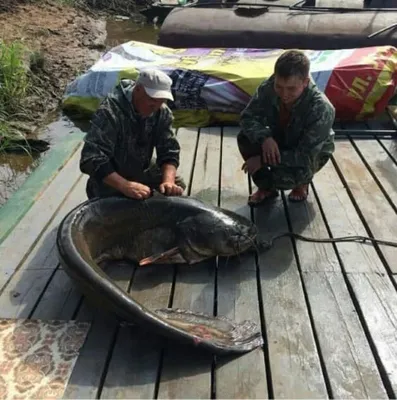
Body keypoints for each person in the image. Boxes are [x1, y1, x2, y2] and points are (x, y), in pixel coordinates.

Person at [237, 49, 335, 205]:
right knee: (244, 137)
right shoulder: (269, 86)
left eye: (291, 89)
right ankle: (266, 188)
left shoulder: (321, 108)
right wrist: (265, 138)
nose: (284, 94)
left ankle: (302, 183)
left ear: (305, 82)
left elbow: (305, 156)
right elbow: (247, 117)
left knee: (288, 178)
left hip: (308, 153)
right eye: (279, 87)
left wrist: (262, 160)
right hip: (279, 136)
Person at [79, 68, 186, 200]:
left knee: (176, 185)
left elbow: (169, 150)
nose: (156, 108)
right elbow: (91, 159)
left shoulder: (161, 111)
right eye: (152, 100)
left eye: (161, 101)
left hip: (140, 167)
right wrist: (125, 186)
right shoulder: (109, 111)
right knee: (114, 204)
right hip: (112, 175)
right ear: (138, 90)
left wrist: (168, 181)